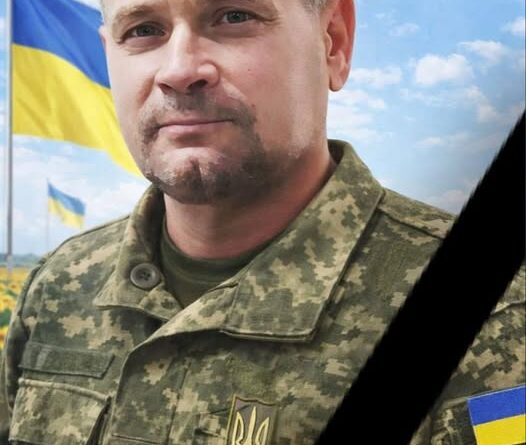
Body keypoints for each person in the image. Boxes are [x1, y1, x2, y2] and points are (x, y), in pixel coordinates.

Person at [1, 0, 524, 444]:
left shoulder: (500, 316)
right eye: (142, 30)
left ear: (334, 42)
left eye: (234, 16)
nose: (179, 69)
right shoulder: (61, 283)